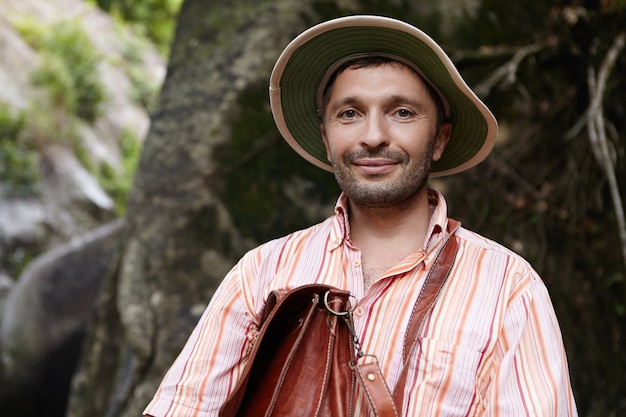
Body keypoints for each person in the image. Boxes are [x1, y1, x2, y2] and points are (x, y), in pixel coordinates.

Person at [144, 15, 578, 417]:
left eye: (401, 112)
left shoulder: (507, 287)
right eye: (349, 113)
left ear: (440, 139)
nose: (373, 136)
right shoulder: (260, 274)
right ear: (327, 138)